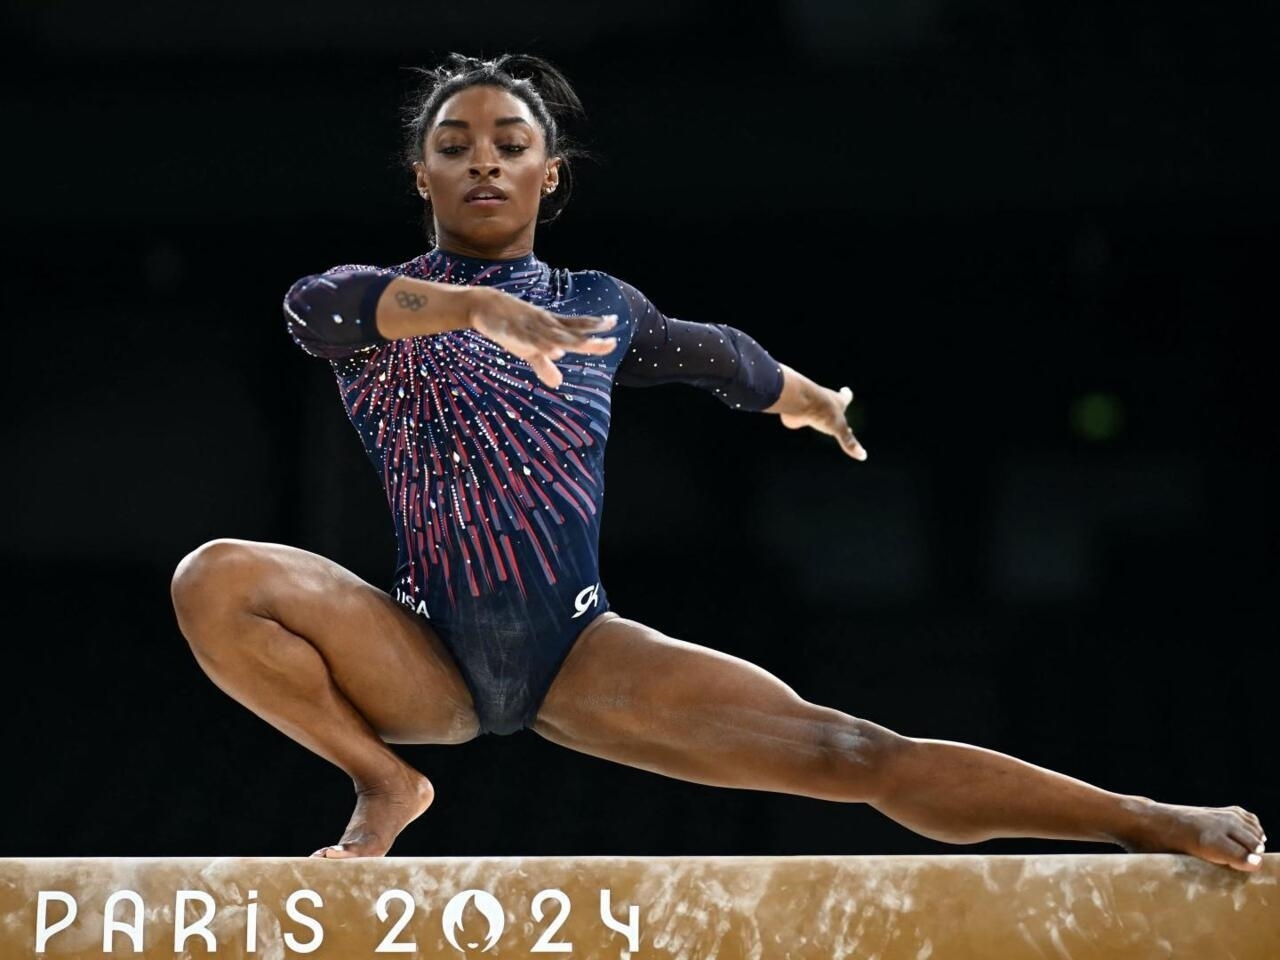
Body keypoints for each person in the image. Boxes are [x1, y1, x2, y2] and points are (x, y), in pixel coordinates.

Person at [170, 52, 1266, 869]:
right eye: (454, 145)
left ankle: (1148, 820)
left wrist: (809, 398)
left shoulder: (599, 307)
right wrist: (469, 308)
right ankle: (381, 782)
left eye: (509, 142)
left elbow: (716, 357)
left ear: (550, 174)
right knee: (217, 576)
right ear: (422, 176)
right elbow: (315, 310)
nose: (483, 161)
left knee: (852, 753)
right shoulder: (375, 305)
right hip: (413, 646)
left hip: (575, 647)